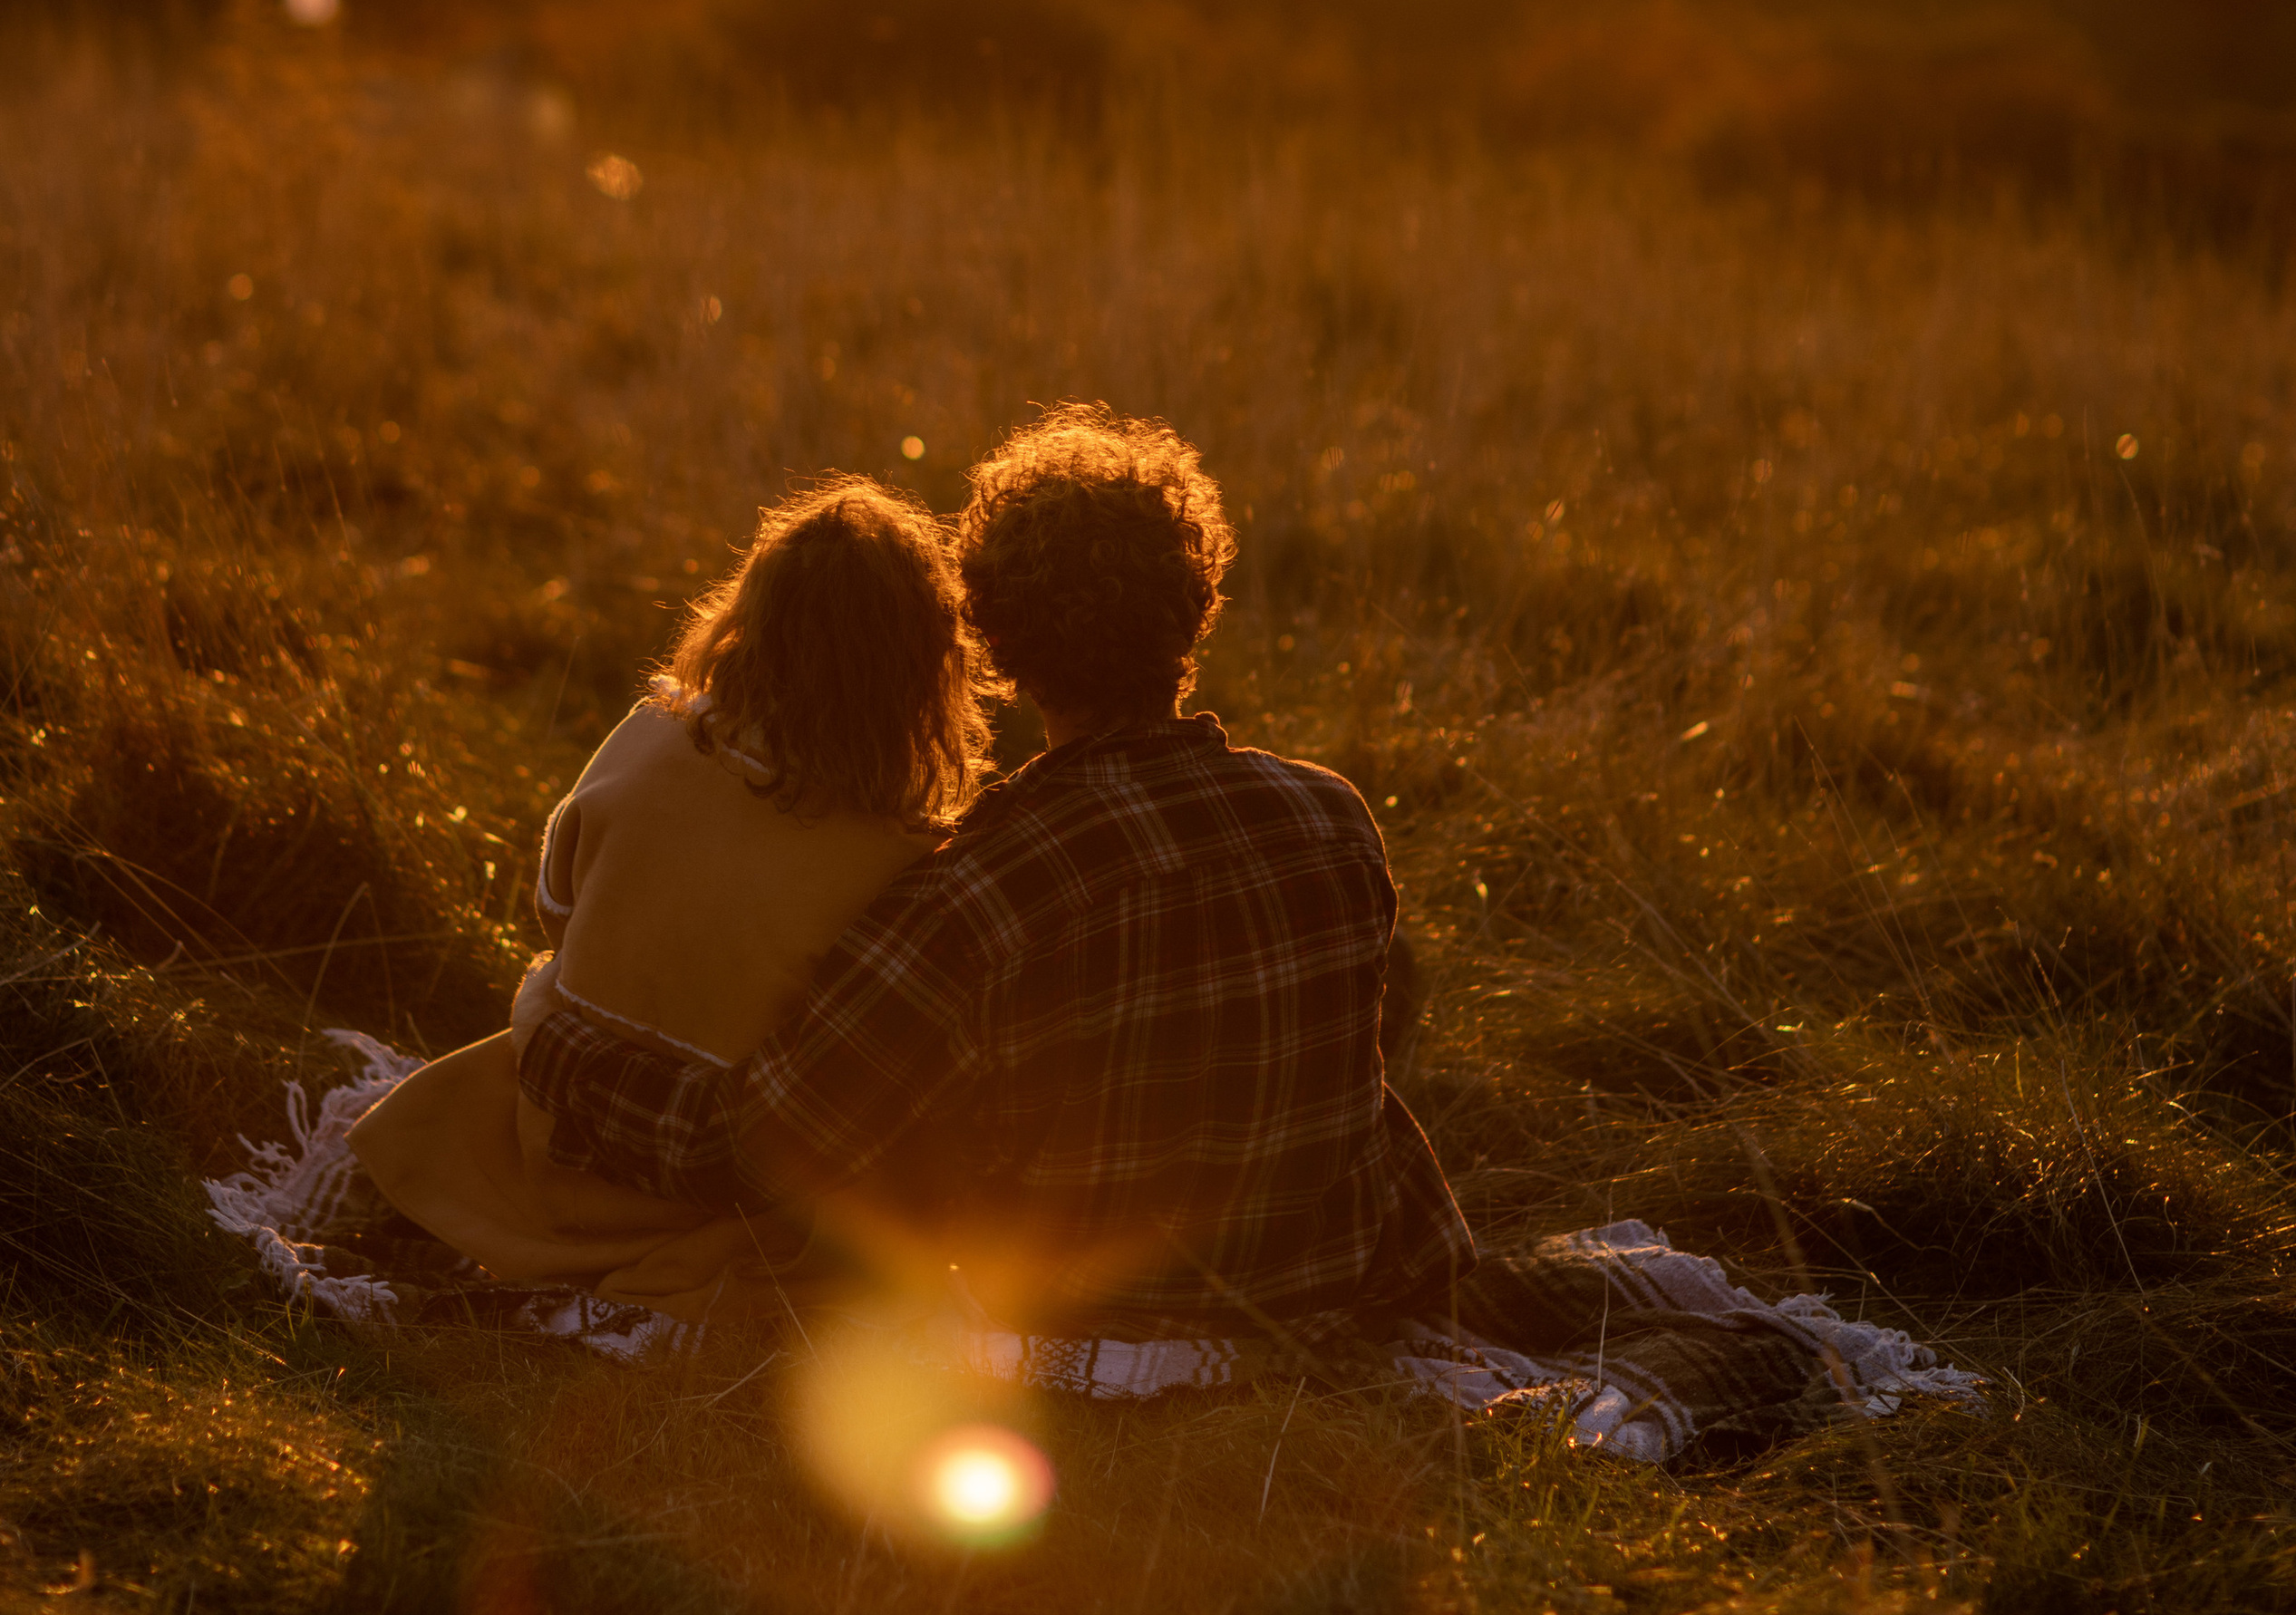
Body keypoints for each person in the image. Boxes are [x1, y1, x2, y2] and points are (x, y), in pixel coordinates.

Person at [518, 403, 1473, 1333]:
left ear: (990, 637)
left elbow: (754, 1147)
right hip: (1332, 1293)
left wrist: (554, 1042)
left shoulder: (975, 888)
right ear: (1198, 604)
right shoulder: (1331, 816)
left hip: (1089, 1323)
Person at [349, 474, 985, 1293]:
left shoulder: (652, 734)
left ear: (746, 621)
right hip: (704, 1188)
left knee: (526, 1024)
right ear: (923, 672)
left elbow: (554, 909)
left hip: (548, 1125)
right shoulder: (899, 856)